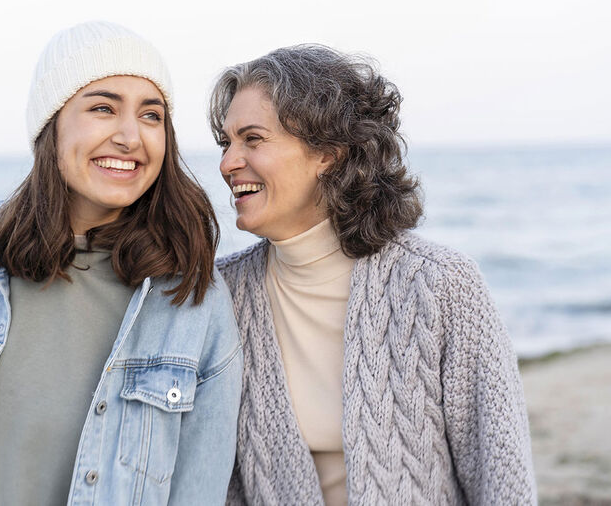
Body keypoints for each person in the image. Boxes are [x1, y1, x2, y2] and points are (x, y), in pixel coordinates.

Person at [0, 21, 242, 505]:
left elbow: (198, 491)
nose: (130, 136)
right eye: (102, 108)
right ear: (50, 125)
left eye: (152, 115)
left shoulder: (193, 297)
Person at [209, 45, 536, 505]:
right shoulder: (220, 297)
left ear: (328, 153)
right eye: (226, 143)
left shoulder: (440, 285)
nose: (227, 163)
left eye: (253, 139)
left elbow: (503, 479)